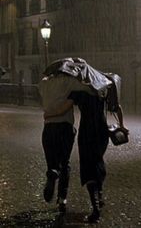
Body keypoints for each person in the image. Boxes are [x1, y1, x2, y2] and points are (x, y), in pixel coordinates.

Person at [44, 89, 128, 223]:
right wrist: (122, 126)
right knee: (98, 162)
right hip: (102, 130)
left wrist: (50, 115)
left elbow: (64, 108)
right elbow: (117, 107)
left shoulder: (80, 90)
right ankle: (99, 196)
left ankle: (95, 208)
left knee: (89, 168)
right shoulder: (104, 87)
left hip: (86, 132)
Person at [39, 72, 93, 213]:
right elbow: (88, 89)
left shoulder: (44, 82)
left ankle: (52, 173)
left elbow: (41, 95)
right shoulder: (69, 81)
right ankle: (62, 198)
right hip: (65, 127)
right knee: (65, 163)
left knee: (51, 162)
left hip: (48, 126)